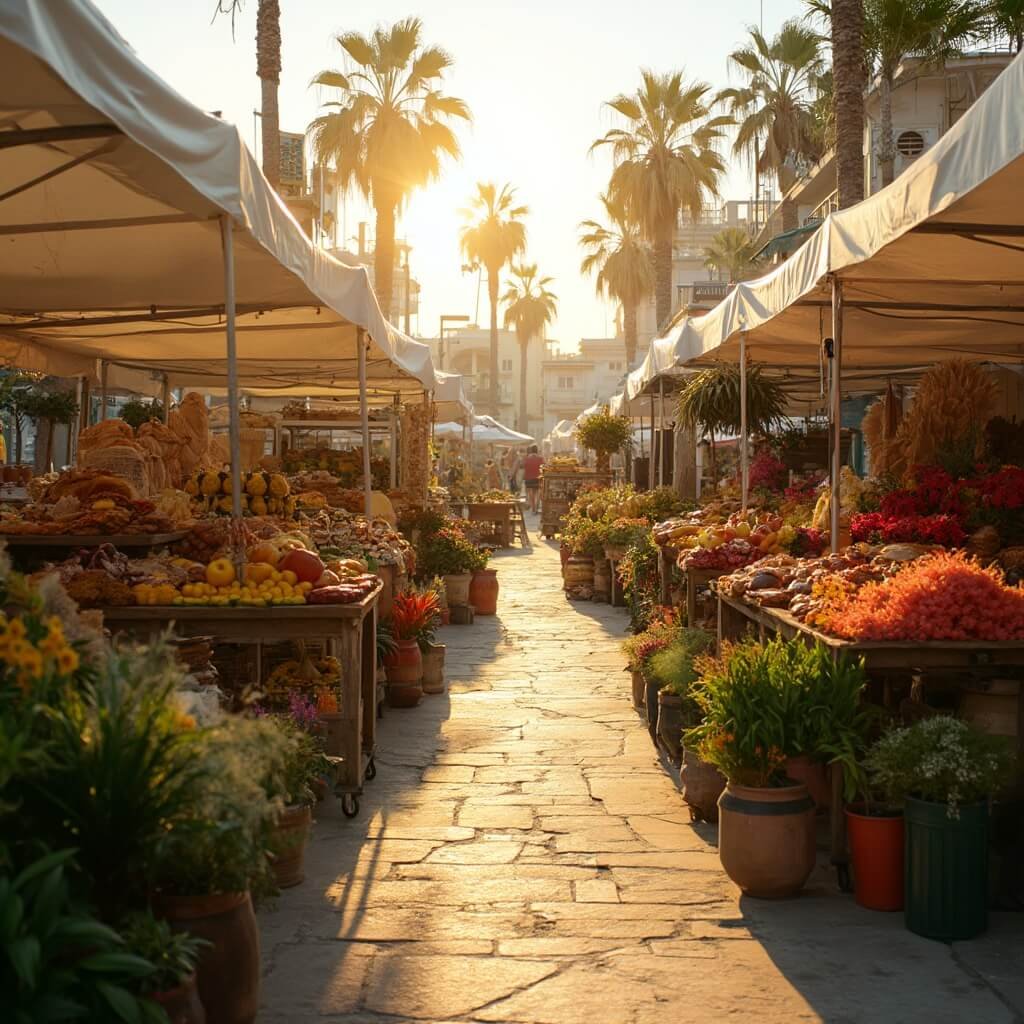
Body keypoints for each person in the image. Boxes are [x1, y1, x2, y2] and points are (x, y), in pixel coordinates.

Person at [522, 444, 544, 513]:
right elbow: (543, 467)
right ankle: (536, 507)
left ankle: (533, 507)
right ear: (537, 450)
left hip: (528, 477)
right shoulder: (540, 458)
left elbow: (524, 466)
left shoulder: (526, 458)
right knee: (537, 492)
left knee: (530, 493)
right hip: (538, 477)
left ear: (531, 450)